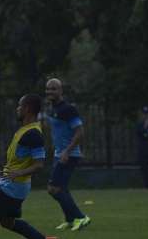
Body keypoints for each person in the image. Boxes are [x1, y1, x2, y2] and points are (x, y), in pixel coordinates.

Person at [0, 94, 49, 239]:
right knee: (7, 222)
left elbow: (39, 165)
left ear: (28, 109)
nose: (17, 109)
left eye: (20, 106)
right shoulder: (26, 130)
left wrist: (18, 173)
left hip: (13, 188)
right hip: (15, 186)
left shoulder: (33, 134)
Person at [43, 78, 91, 231]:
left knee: (53, 188)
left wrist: (67, 151)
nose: (50, 91)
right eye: (48, 89)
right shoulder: (52, 109)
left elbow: (80, 132)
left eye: (54, 89)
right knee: (61, 188)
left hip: (69, 155)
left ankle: (81, 217)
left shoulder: (68, 109)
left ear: (61, 91)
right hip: (59, 154)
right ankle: (70, 219)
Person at [136, 105, 148, 188]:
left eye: (147, 114)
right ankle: (147, 186)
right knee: (144, 169)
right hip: (143, 150)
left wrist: (146, 134)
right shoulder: (139, 125)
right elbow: (140, 133)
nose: (146, 116)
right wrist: (146, 130)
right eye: (144, 114)